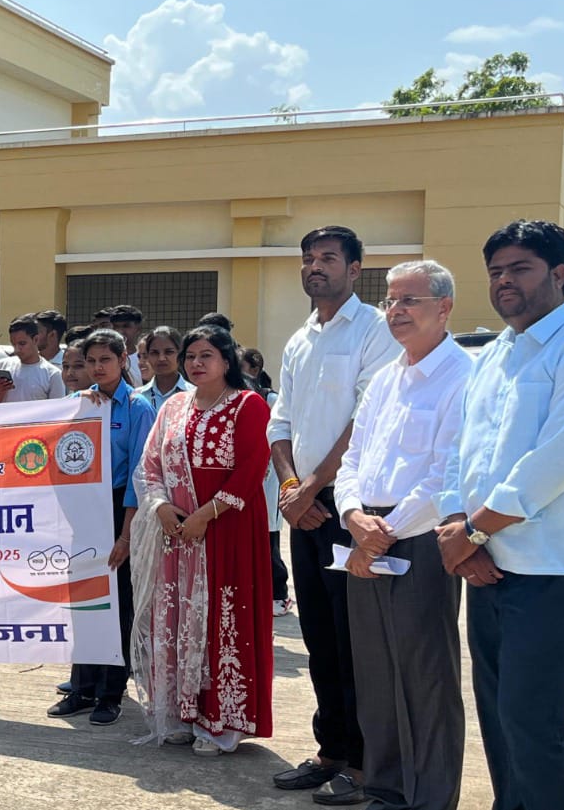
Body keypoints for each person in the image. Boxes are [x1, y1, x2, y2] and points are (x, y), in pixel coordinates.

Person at [436, 220, 564, 810]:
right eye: (496, 271)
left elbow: (556, 459)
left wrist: (472, 531)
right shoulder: (490, 356)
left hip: (547, 571)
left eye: (520, 268)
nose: (504, 281)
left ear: (560, 274)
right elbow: (458, 452)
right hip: (486, 567)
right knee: (496, 719)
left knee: (533, 725)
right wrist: (456, 528)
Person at [267, 225, 402, 805]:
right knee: (320, 636)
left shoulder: (375, 329)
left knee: (357, 642)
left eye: (327, 258)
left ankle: (368, 763)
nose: (315, 267)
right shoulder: (300, 339)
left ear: (355, 269)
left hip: (351, 508)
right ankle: (331, 751)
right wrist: (292, 489)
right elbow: (280, 423)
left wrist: (314, 488)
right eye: (307, 258)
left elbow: (365, 420)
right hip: (305, 510)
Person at [333, 261, 470, 810]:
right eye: (390, 300)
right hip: (366, 533)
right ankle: (386, 790)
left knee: (426, 677)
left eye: (410, 300)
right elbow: (353, 458)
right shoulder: (386, 378)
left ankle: (431, 798)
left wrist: (381, 534)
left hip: (420, 538)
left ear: (444, 307)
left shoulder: (462, 375)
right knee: (376, 673)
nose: (395, 311)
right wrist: (352, 515)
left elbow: (447, 474)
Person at [129, 324, 273, 755]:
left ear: (226, 360)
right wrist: (160, 507)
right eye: (190, 356)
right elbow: (149, 465)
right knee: (176, 618)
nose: (196, 363)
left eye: (206, 355)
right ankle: (180, 713)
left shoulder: (248, 405)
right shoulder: (173, 406)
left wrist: (205, 516)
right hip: (176, 535)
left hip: (227, 531)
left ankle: (220, 722)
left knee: (222, 620)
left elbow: (252, 469)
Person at [48, 329, 154, 727]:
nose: (97, 368)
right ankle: (82, 687)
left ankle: (111, 692)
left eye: (105, 360)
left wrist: (125, 536)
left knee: (117, 605)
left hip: (121, 509)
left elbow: (140, 476)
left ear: (123, 360)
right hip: (84, 511)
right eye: (90, 361)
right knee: (85, 602)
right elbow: (62, 459)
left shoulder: (139, 407)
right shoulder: (81, 403)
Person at [243, 347, 291, 616]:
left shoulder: (270, 398)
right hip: (246, 481)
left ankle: (278, 593)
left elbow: (280, 434)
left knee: (269, 538)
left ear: (255, 368)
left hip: (269, 478)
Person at [0, 314, 66, 403]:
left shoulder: (53, 374)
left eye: (22, 344)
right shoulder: (2, 365)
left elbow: (58, 409)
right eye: (14, 344)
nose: (17, 349)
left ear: (36, 339)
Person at [135, 326, 191, 414]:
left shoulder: (194, 394)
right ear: (148, 356)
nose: (161, 358)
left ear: (181, 355)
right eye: (154, 353)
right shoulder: (137, 396)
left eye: (169, 352)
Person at [110, 305, 146, 386]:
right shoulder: (105, 357)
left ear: (138, 328)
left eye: (126, 326)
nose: (120, 331)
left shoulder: (146, 357)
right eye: (115, 327)